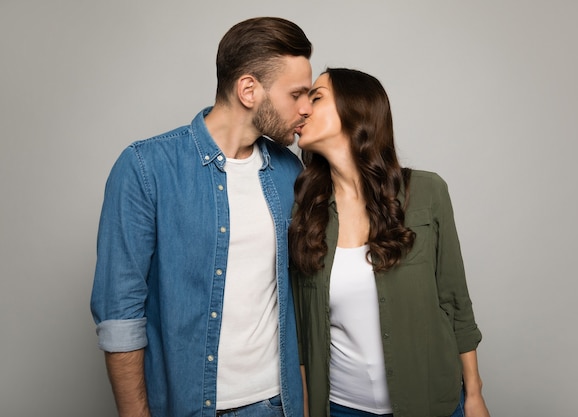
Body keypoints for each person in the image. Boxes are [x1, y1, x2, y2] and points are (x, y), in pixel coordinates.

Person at [90, 17, 313, 417]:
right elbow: (120, 318)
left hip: (280, 405)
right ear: (248, 89)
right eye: (296, 94)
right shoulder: (146, 168)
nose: (305, 108)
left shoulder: (289, 172)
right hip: (195, 408)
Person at [289, 68, 491, 417]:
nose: (302, 108)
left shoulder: (427, 193)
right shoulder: (305, 210)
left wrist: (473, 394)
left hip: (431, 403)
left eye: (316, 97)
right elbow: (301, 328)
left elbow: (455, 301)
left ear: (355, 109)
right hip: (340, 408)